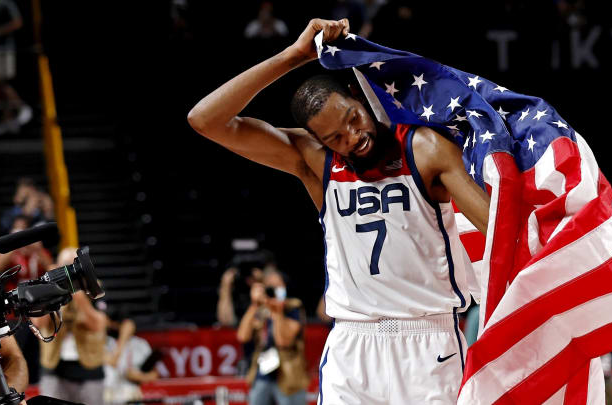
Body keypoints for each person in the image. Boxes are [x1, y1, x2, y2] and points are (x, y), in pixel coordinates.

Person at [188, 18, 489, 404]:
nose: (354, 138)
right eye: (335, 138)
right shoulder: (315, 162)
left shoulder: (425, 149)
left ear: (357, 96)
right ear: (318, 141)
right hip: (352, 344)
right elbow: (204, 120)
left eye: (353, 119)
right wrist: (293, 55)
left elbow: (495, 229)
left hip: (427, 342)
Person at [33, 248, 108, 405]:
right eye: (64, 266)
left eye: (71, 266)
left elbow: (97, 325)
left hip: (89, 368)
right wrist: (48, 291)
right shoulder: (46, 288)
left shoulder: (94, 287)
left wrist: (77, 291)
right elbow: (39, 324)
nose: (69, 272)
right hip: (53, 368)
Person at [237, 268, 308, 405]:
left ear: (284, 286)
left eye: (277, 286)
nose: (274, 291)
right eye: (270, 287)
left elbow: (283, 342)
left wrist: (277, 313)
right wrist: (254, 304)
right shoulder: (261, 310)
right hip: (262, 374)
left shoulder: (293, 307)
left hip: (289, 376)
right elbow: (242, 336)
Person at [0, 0, 31, 136]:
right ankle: (9, 120)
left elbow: (17, 22)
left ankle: (21, 107)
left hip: (4, 50)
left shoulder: (6, 4)